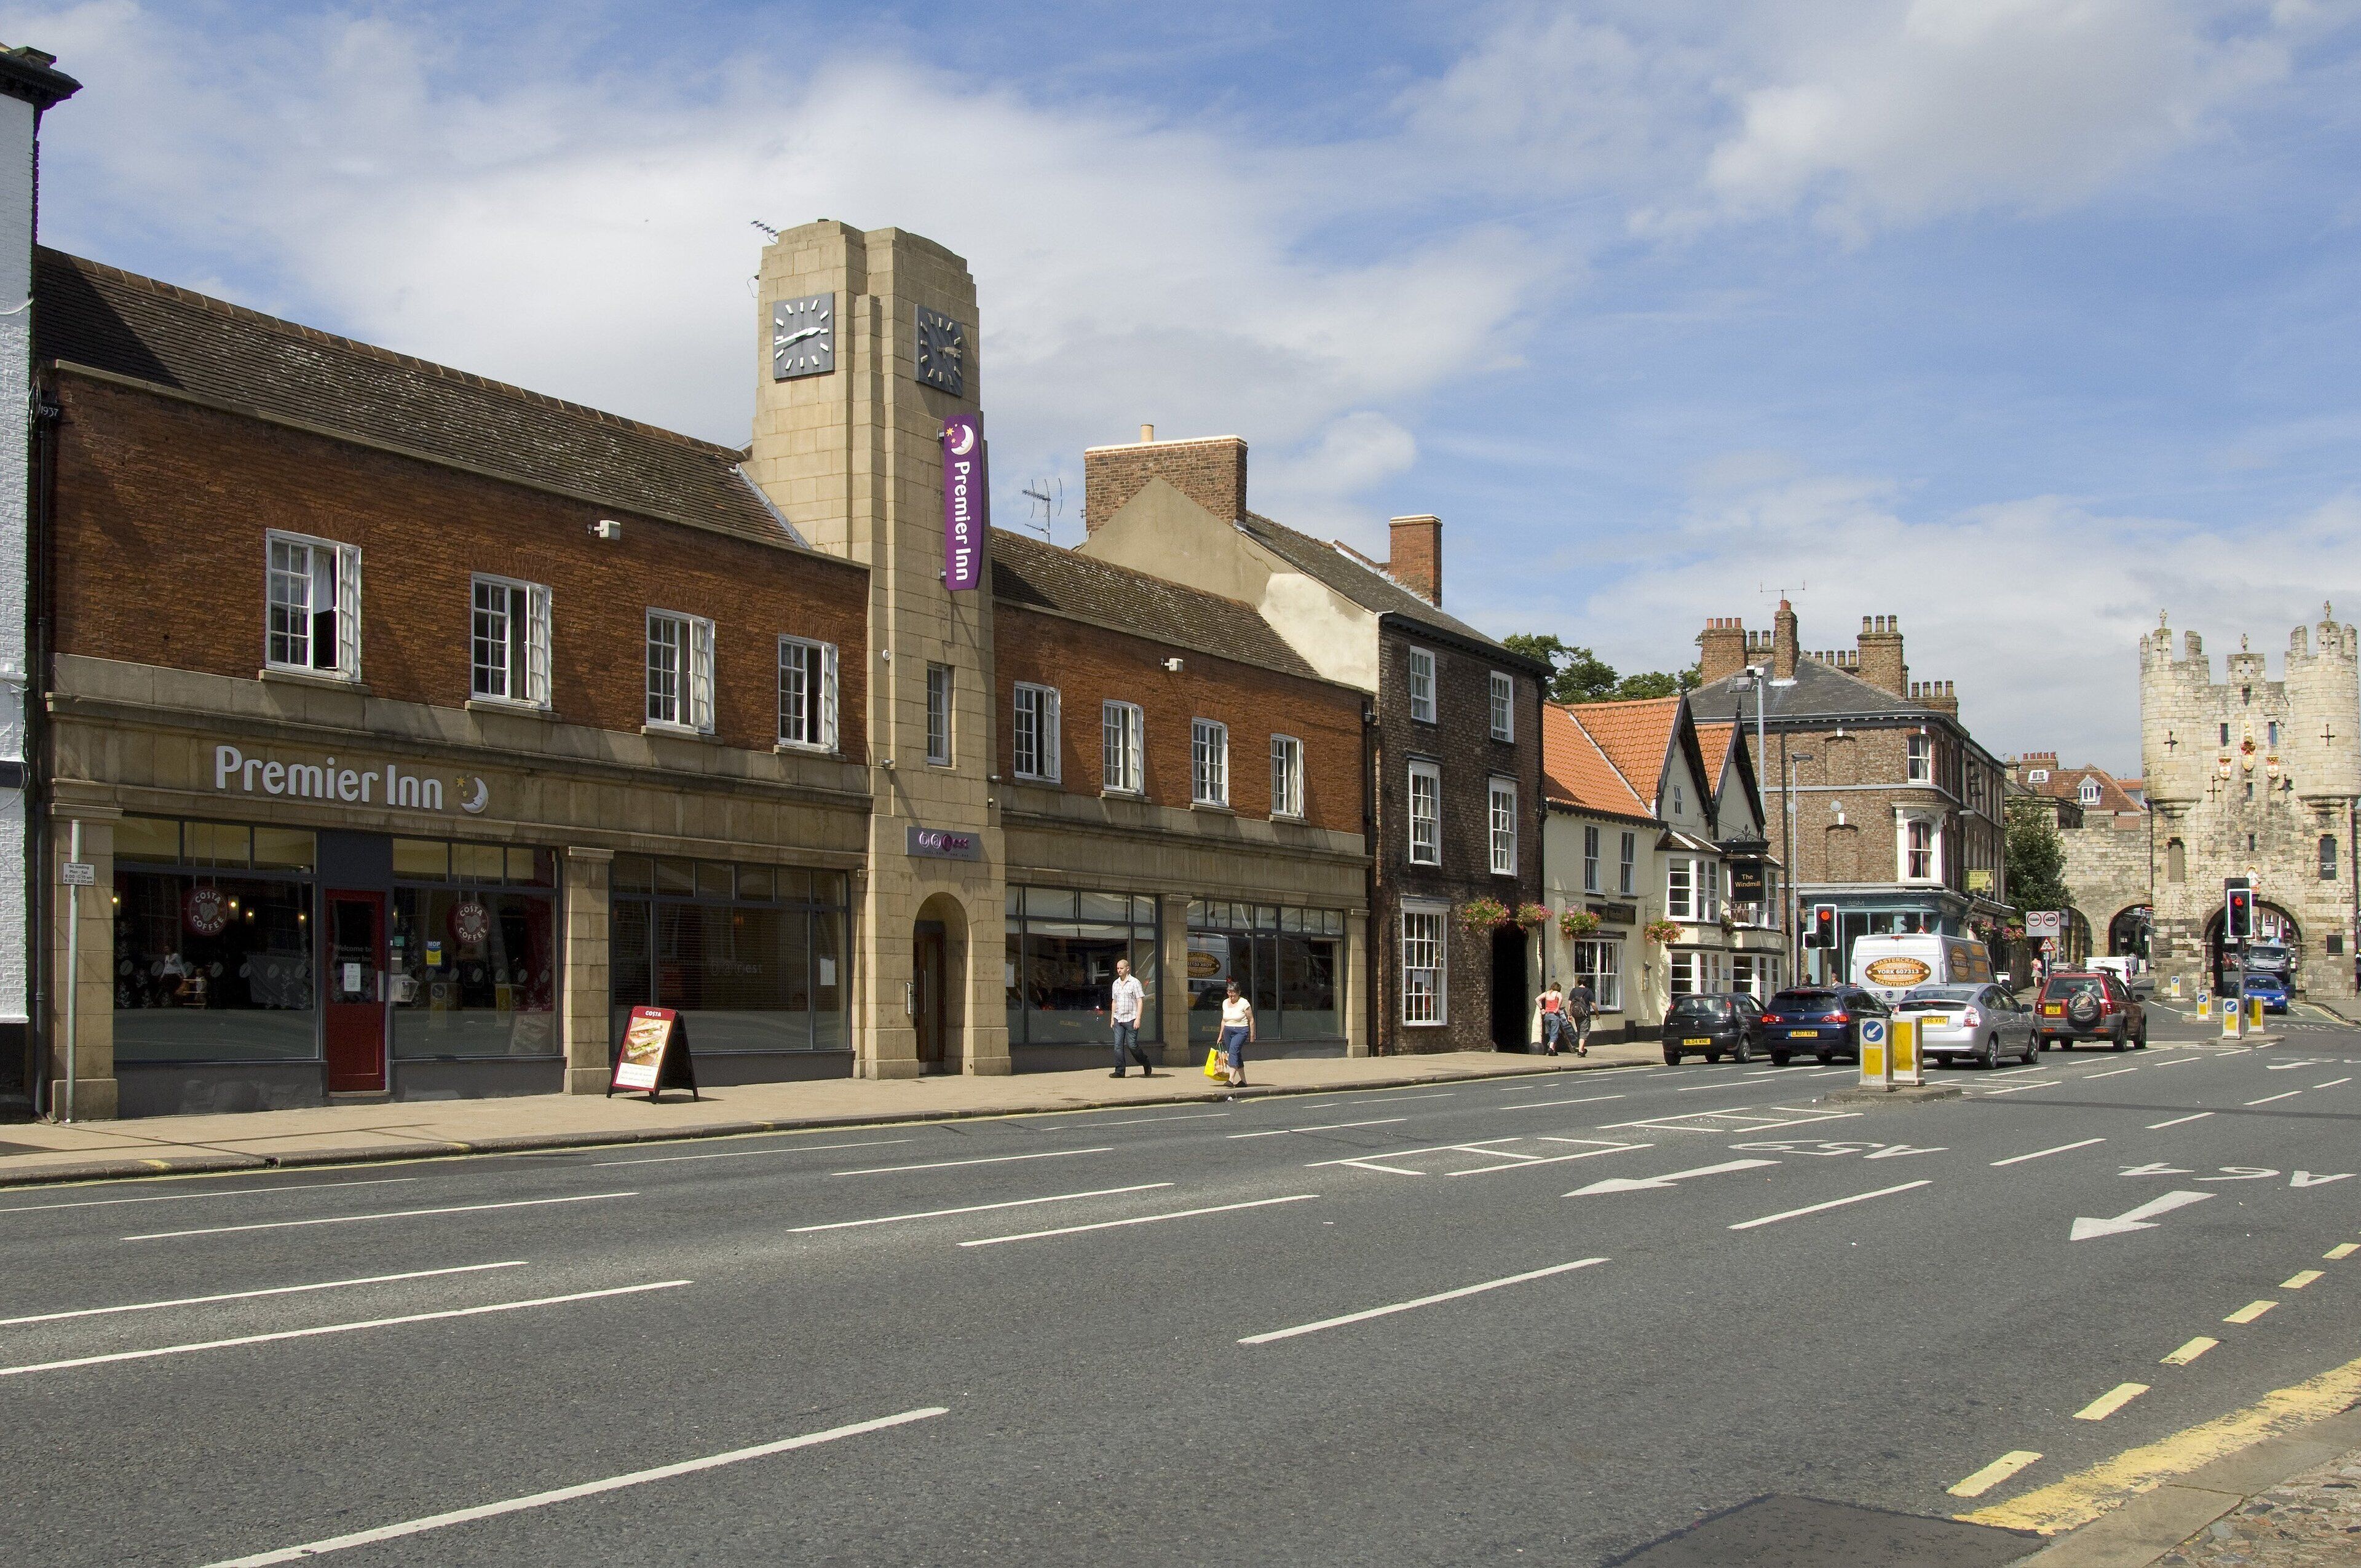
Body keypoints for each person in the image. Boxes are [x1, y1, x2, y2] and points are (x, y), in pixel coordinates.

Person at [1108, 956, 1154, 1078]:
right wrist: (1112, 1018)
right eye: (1118, 968)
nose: (1119, 970)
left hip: (1131, 1019)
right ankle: (1120, 1071)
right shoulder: (1116, 984)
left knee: (1132, 1045)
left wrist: (1138, 1018)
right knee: (1118, 1046)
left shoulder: (1135, 983)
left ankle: (1145, 1062)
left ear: (1127, 969)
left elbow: (1140, 1001)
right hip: (1119, 1019)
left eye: (1121, 968)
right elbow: (1114, 1002)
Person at [1217, 979, 1254, 1090]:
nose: (1231, 995)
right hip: (1228, 1030)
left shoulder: (1244, 1003)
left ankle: (1231, 1080)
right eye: (1229, 992)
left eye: (1233, 992)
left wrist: (1252, 1036)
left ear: (1238, 993)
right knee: (1235, 1054)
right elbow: (1224, 1020)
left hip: (1241, 1031)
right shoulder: (1225, 1003)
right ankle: (1243, 1081)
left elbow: (1251, 1020)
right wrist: (1220, 1035)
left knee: (1233, 1052)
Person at [1565, 976, 1594, 1056]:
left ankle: (1582, 1049)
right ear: (1586, 982)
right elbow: (1593, 1004)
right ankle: (1581, 1051)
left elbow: (1570, 1003)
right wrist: (1597, 1013)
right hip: (1585, 1015)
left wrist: (1570, 1014)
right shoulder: (1589, 991)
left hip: (1576, 1014)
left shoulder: (1574, 991)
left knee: (1579, 1031)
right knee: (1584, 1032)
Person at [1535, 979, 1565, 1056]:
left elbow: (1537, 999)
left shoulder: (1546, 993)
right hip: (1554, 1015)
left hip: (1547, 1015)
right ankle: (1551, 1048)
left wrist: (1542, 1009)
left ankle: (1554, 1051)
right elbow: (1561, 999)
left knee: (1551, 1033)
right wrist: (1558, 1008)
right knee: (1555, 1033)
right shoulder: (1558, 994)